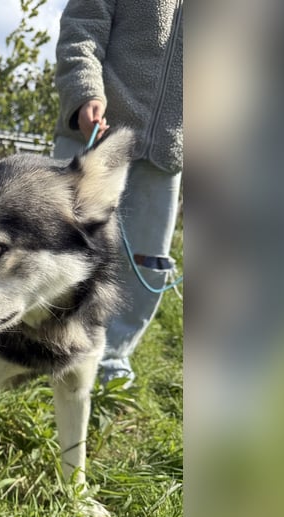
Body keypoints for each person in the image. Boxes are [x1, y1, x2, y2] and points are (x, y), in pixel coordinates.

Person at [53, 0, 183, 387]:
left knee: (148, 263)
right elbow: (82, 26)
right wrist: (83, 92)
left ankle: (111, 360)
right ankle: (41, 349)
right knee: (60, 245)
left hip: (167, 153)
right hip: (95, 136)